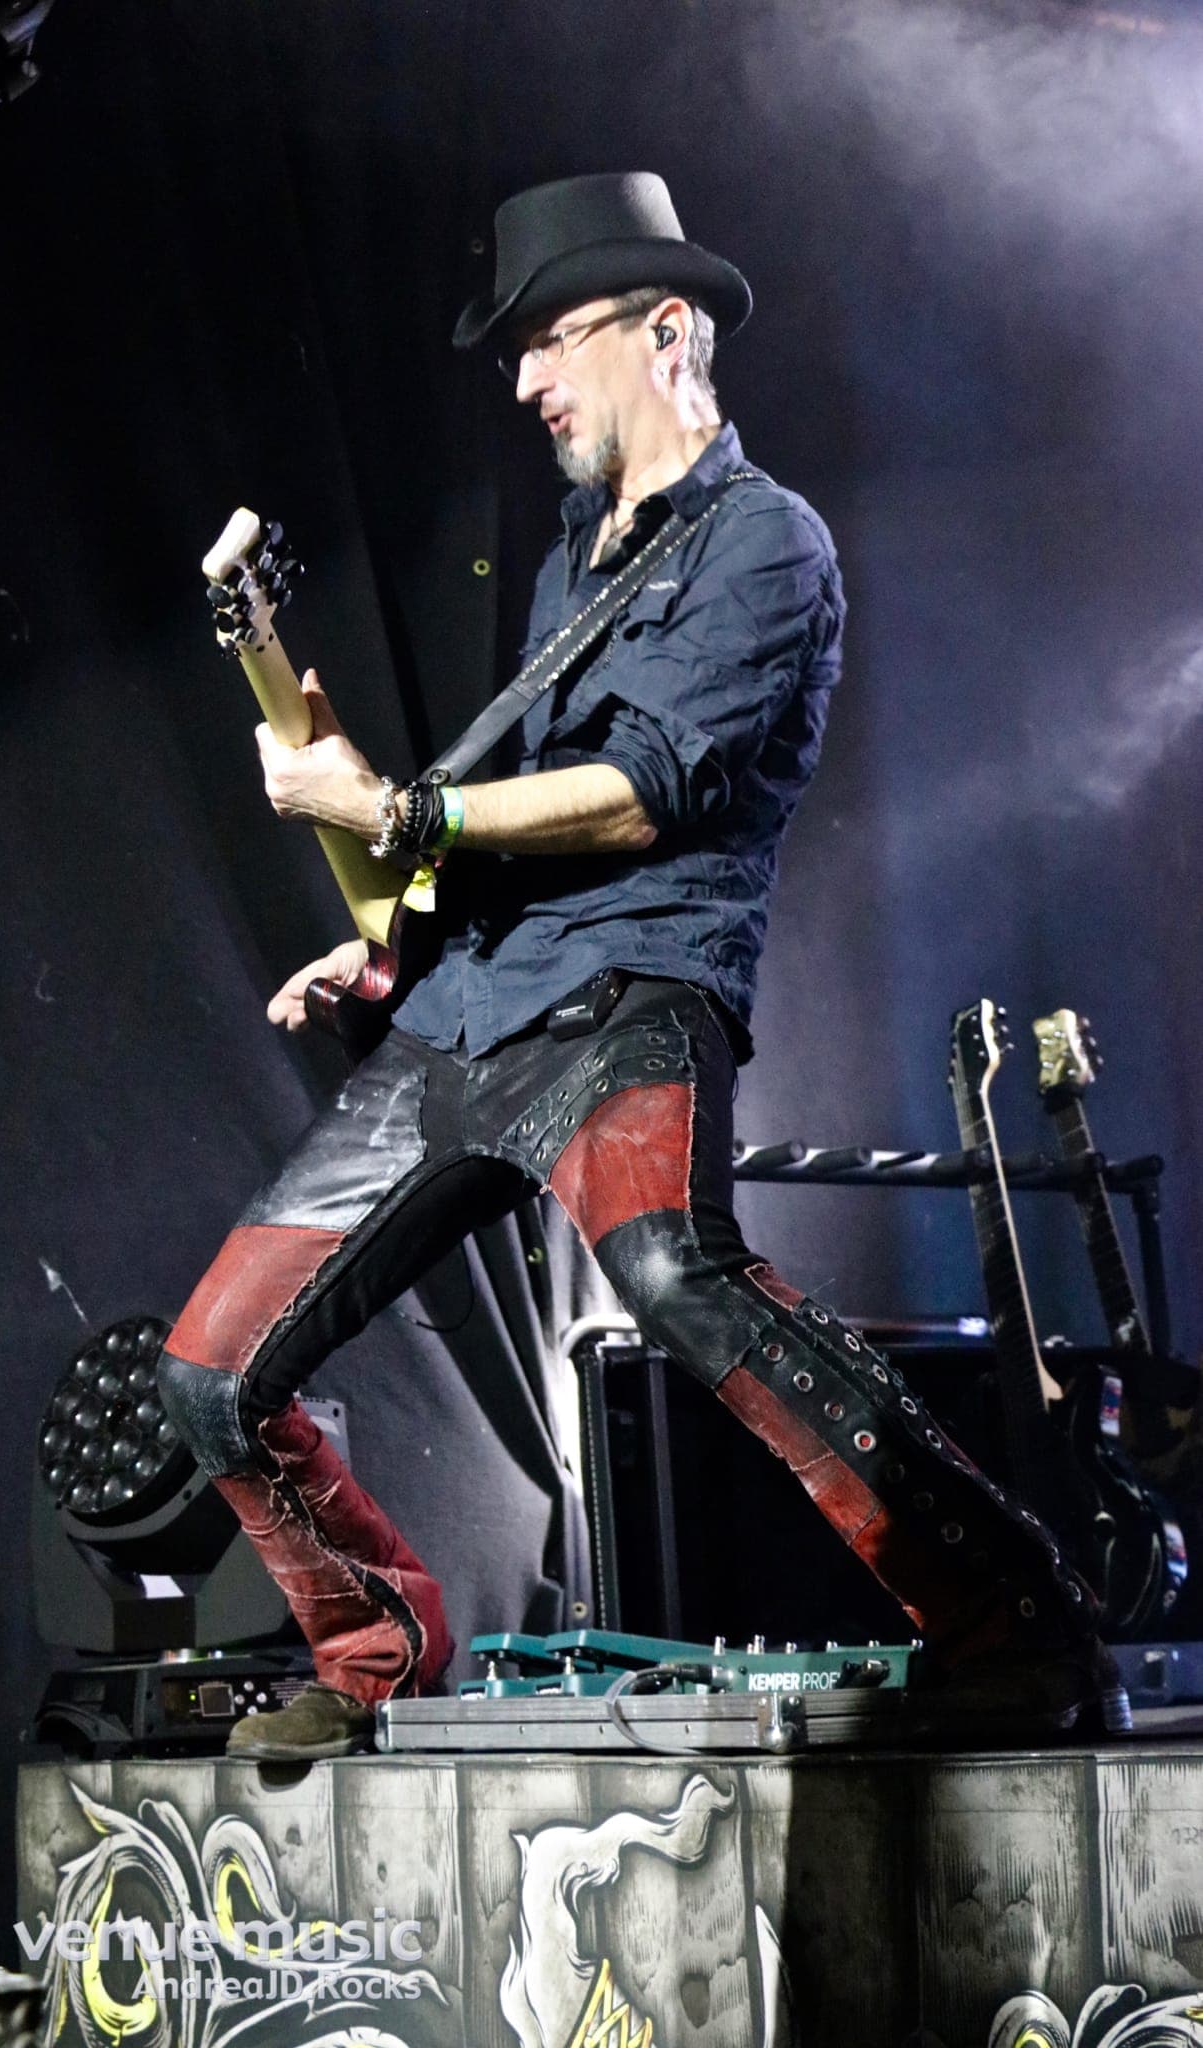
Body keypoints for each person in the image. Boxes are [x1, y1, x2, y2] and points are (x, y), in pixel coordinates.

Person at [156, 172, 1124, 1758]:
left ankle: (1017, 1620)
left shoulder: (768, 545)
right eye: (516, 356)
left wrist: (397, 809)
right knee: (208, 1377)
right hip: (472, 1017)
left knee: (672, 1271)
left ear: (664, 330)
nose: (525, 383)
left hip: (634, 1004)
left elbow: (638, 795)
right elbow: (508, 834)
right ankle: (375, 1640)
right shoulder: (569, 571)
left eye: (550, 340)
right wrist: (389, 953)